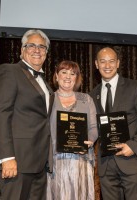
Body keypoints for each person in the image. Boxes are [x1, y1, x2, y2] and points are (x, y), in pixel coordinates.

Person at [0, 29, 54, 200]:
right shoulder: (9, 72)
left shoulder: (44, 83)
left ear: (46, 53)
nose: (37, 50)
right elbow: (0, 115)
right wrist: (7, 157)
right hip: (15, 162)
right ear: (22, 50)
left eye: (42, 47)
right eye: (31, 45)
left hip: (39, 164)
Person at [89, 47, 137, 200]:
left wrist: (134, 145)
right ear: (96, 64)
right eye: (102, 61)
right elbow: (93, 127)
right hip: (106, 165)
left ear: (118, 63)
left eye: (111, 61)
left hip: (131, 161)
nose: (107, 65)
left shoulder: (135, 87)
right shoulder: (92, 95)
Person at [46, 60, 98, 200]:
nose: (68, 76)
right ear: (56, 76)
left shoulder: (86, 99)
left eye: (72, 73)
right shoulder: (49, 99)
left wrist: (90, 141)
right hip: (56, 162)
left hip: (81, 160)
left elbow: (94, 127)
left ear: (77, 78)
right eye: (64, 72)